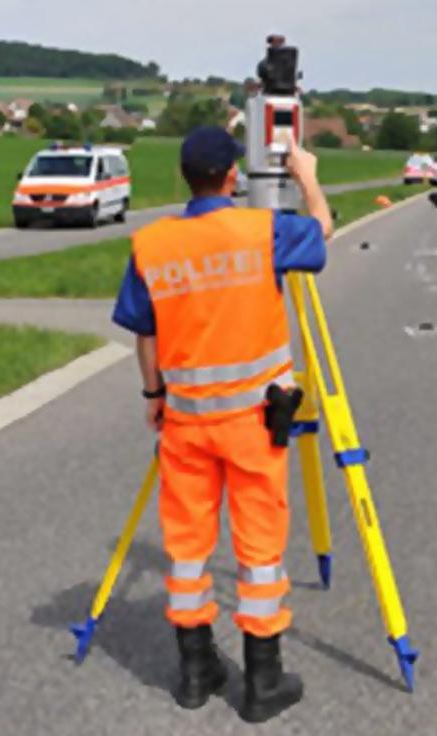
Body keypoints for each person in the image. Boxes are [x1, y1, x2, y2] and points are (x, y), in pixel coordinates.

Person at [111, 126, 333, 722]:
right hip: (255, 424)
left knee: (186, 550)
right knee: (259, 550)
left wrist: (154, 393)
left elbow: (146, 332)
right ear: (233, 176)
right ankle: (263, 683)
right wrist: (306, 176)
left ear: (186, 177)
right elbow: (323, 234)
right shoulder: (261, 230)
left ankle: (194, 672)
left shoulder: (153, 245)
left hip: (185, 423)